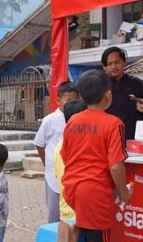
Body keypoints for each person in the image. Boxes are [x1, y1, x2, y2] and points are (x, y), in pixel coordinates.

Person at [61, 69, 131, 242]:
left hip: (72, 190)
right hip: (96, 195)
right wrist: (124, 193)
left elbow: (65, 156)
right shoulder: (114, 124)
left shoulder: (73, 121)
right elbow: (115, 165)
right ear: (108, 94)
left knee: (83, 233)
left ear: (82, 98)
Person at [34, 81, 79, 223]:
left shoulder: (79, 119)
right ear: (58, 100)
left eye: (75, 100)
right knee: (54, 215)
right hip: (54, 175)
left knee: (72, 214)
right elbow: (39, 144)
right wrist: (48, 163)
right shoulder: (50, 120)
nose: (72, 104)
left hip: (74, 173)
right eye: (69, 100)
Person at [54, 99, 88, 242]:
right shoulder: (81, 145)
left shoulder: (59, 145)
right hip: (77, 209)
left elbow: (57, 175)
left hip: (65, 207)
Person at [101, 46, 143, 140]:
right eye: (110, 64)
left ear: (124, 62)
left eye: (117, 62)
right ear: (104, 67)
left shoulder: (136, 83)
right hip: (106, 136)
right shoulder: (100, 85)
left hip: (131, 137)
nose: (114, 66)